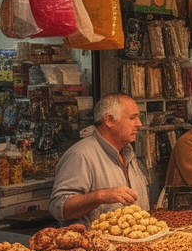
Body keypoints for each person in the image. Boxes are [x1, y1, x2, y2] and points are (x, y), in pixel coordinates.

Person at [50, 93, 150, 226]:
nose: (139, 124)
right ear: (109, 120)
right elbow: (58, 207)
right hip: (96, 244)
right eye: (132, 118)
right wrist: (100, 196)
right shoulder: (80, 155)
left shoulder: (127, 152)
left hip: (132, 243)